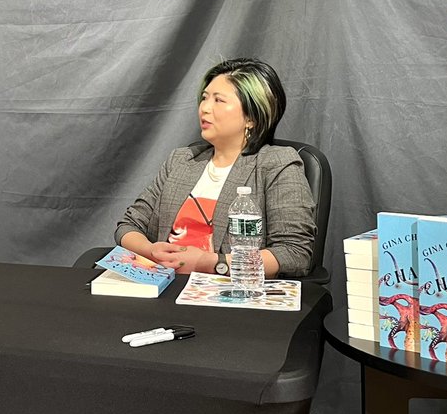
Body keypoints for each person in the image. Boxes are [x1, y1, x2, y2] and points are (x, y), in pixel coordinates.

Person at [115, 57, 315, 278]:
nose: (205, 108)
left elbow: (293, 253)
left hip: (227, 294)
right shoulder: (181, 160)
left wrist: (208, 263)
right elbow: (128, 225)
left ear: (251, 117)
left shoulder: (277, 164)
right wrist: (150, 250)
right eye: (204, 98)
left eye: (218, 100)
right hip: (164, 284)